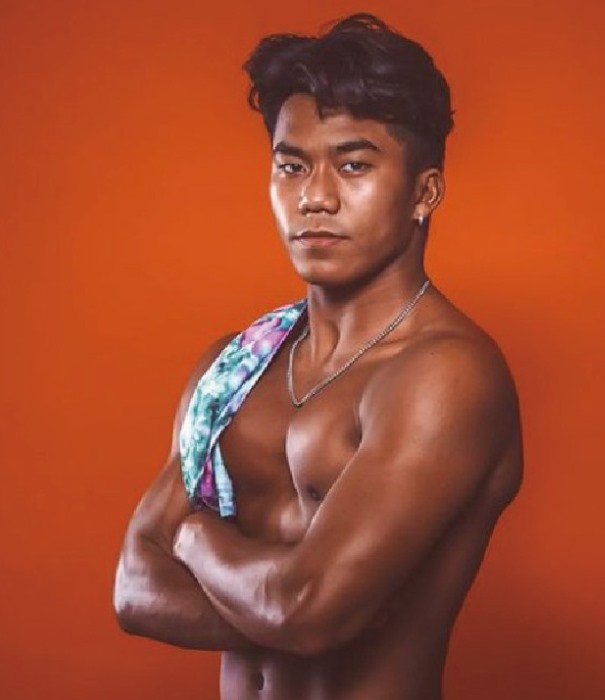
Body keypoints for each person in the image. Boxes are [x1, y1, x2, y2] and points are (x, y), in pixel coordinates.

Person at [113, 13, 523, 700]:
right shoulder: (237, 367)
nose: (315, 197)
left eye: (354, 164)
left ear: (424, 192)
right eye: (292, 166)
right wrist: (290, 606)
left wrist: (193, 541)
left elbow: (306, 613)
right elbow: (132, 589)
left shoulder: (444, 375)